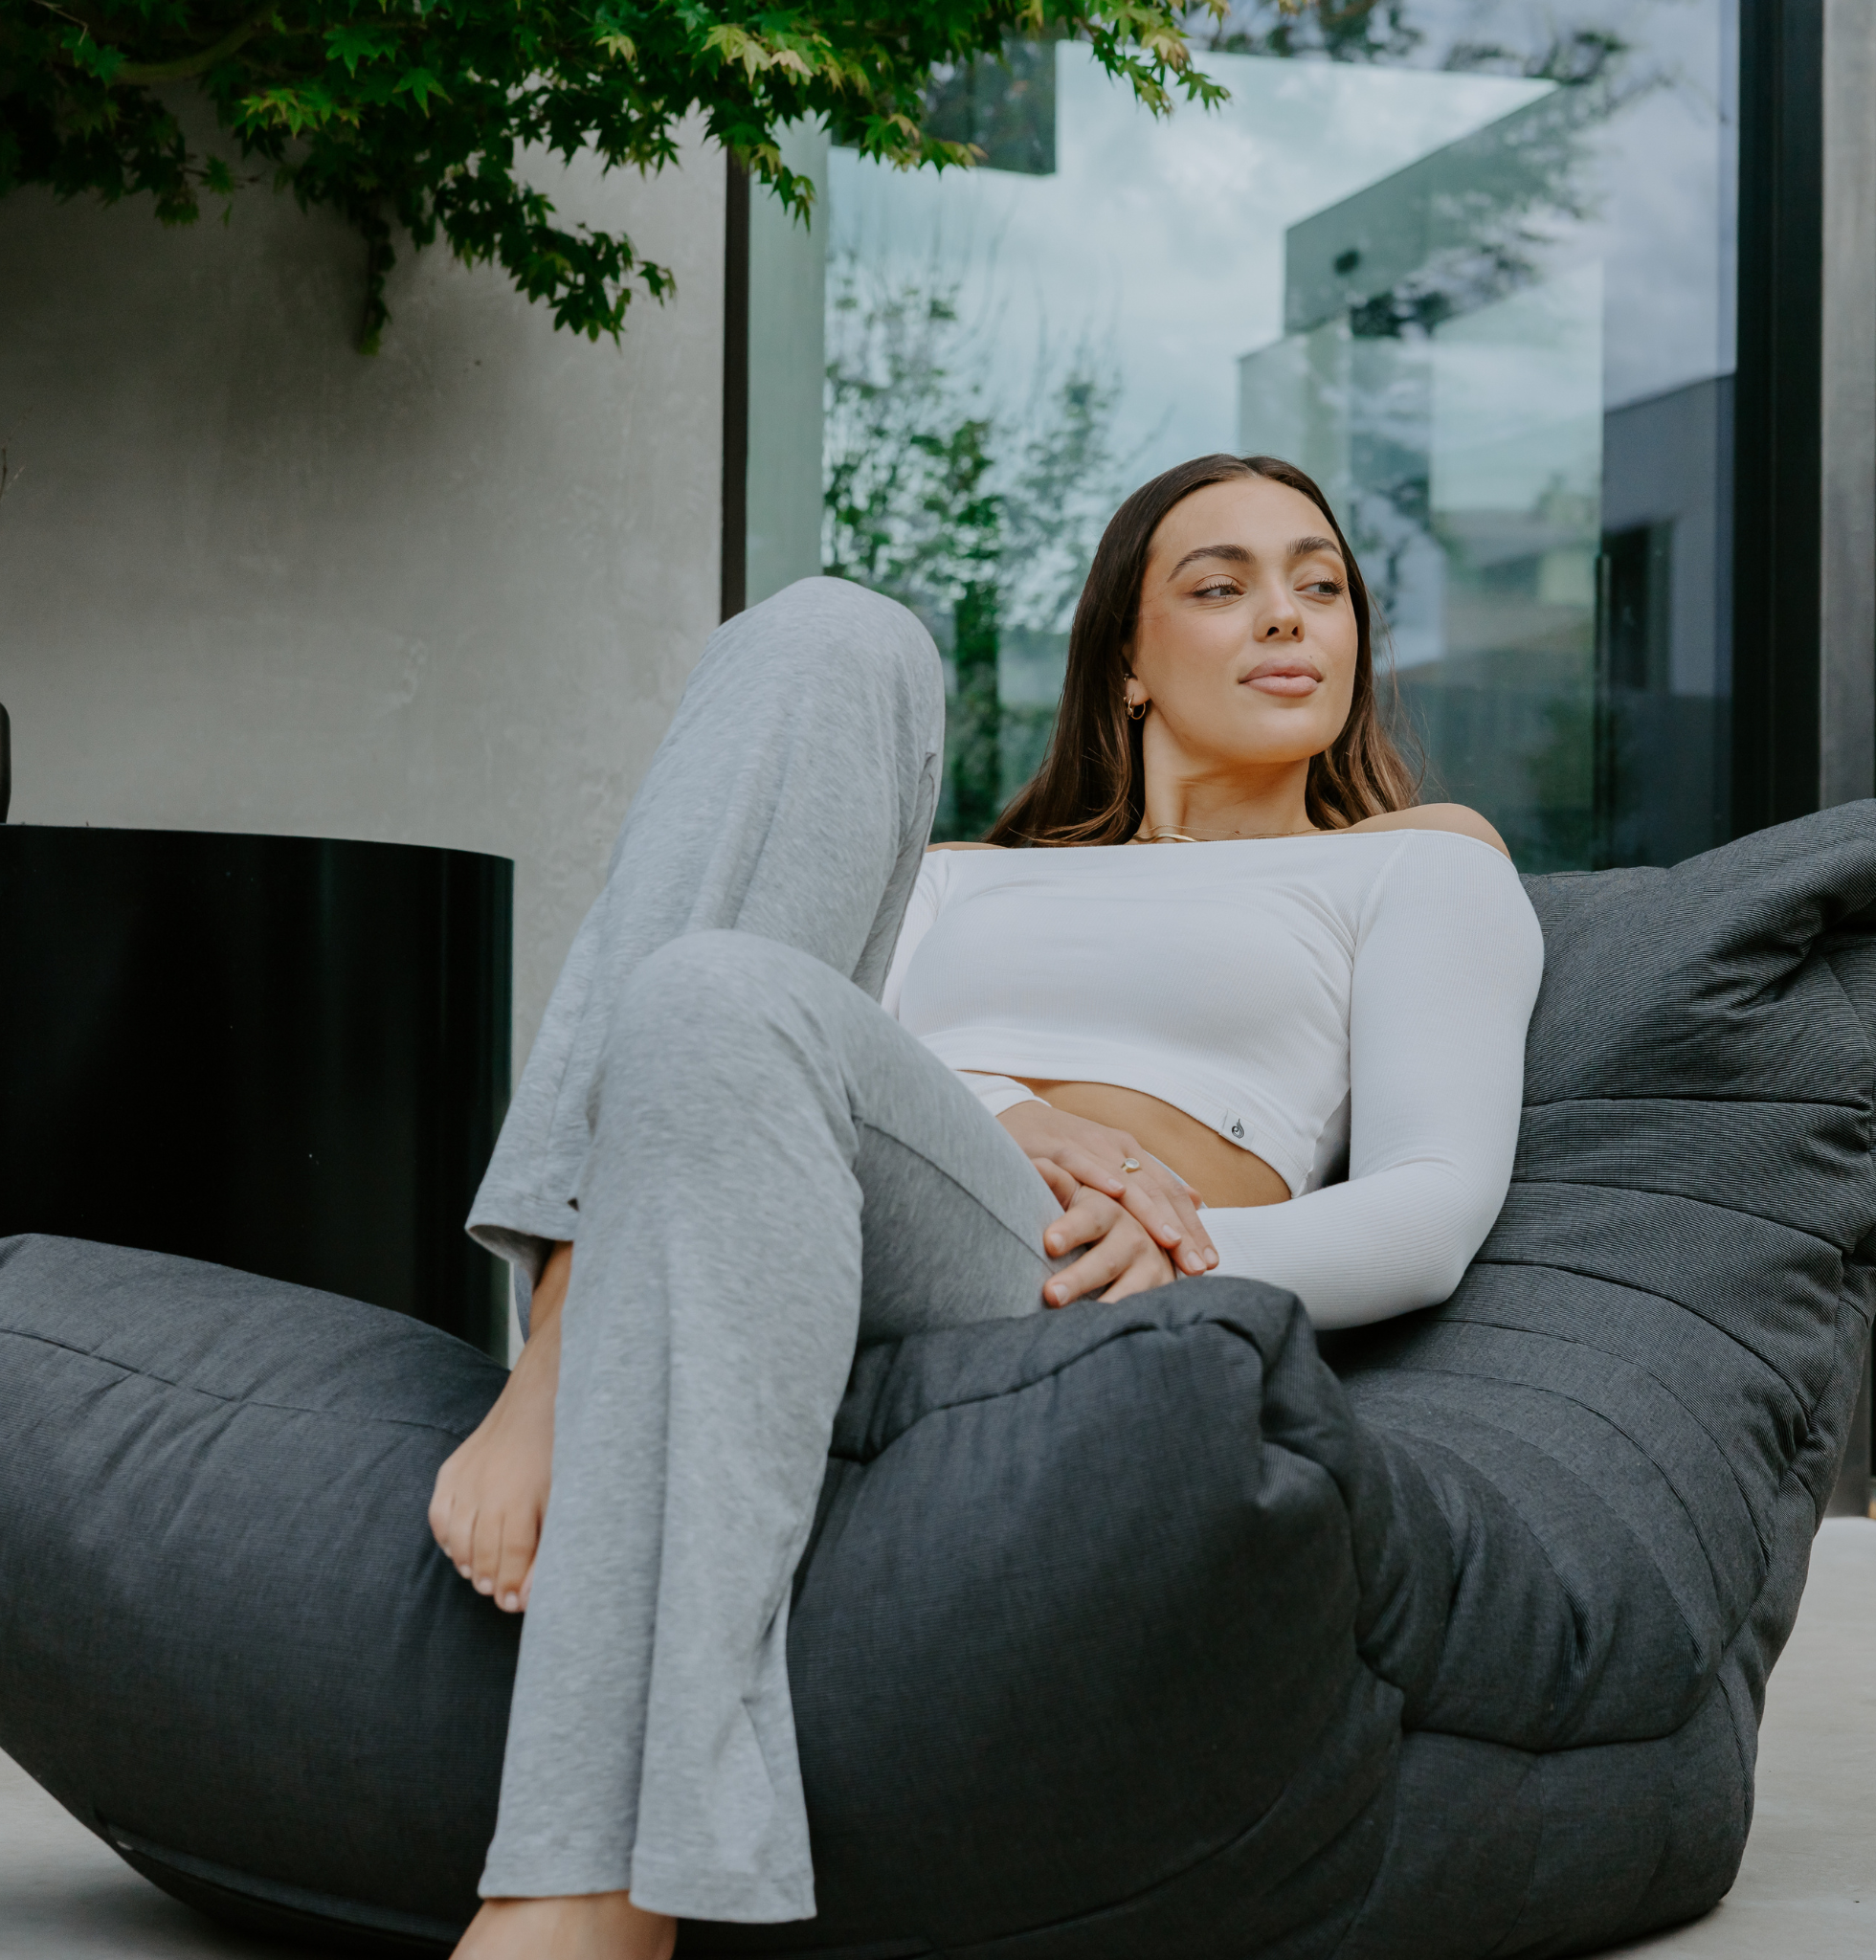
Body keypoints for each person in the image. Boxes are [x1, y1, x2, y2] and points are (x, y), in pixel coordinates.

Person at [429, 453, 1544, 1959]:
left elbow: (1430, 1203)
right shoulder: (956, 875)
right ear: (1128, 661)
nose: (1287, 617)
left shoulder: (1414, 863)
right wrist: (1012, 1112)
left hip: (1061, 1270)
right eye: (1221, 587)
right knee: (832, 639)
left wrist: (1180, 1251)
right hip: (822, 1196)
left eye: (1321, 586)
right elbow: (792, 1060)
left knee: (725, 994)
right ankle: (572, 1321)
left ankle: (589, 1896)